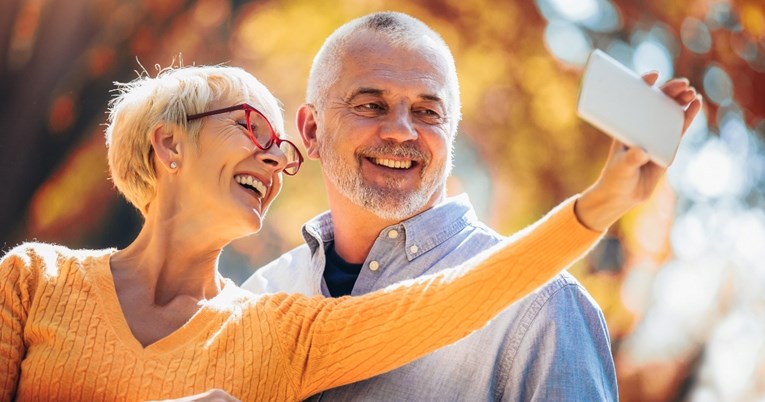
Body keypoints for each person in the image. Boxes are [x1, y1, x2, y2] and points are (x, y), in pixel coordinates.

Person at [0, 62, 697, 401]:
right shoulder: (32, 279)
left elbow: (452, 302)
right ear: (169, 146)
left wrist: (598, 207)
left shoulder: (277, 332)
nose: (276, 158)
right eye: (251, 128)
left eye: (283, 147)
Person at [243, 12, 703, 401]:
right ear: (309, 131)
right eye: (371, 105)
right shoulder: (260, 296)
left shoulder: (542, 308)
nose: (402, 131)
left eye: (428, 112)